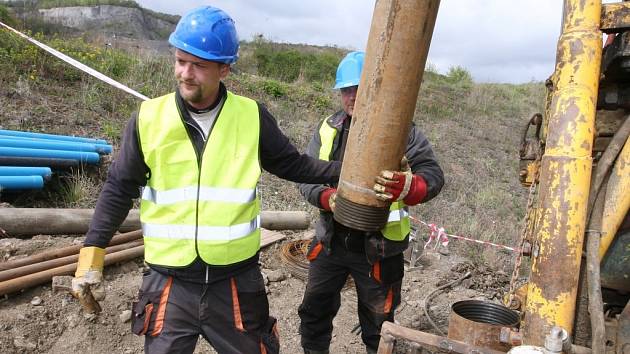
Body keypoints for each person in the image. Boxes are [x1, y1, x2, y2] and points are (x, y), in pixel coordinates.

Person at [71, 6, 342, 354]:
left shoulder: (251, 117)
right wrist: (92, 253)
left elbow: (295, 165)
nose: (185, 73)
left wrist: (346, 171)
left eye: (198, 65)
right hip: (169, 281)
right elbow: (119, 187)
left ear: (224, 68)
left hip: (234, 281)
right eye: (180, 61)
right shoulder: (149, 118)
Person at [297, 51, 444, 354]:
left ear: (376, 89)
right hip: (332, 242)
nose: (352, 97)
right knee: (313, 313)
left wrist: (409, 187)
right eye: (346, 90)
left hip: (379, 249)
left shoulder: (402, 131)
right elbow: (306, 176)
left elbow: (433, 176)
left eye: (359, 89)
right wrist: (327, 197)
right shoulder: (330, 129)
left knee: (378, 326)